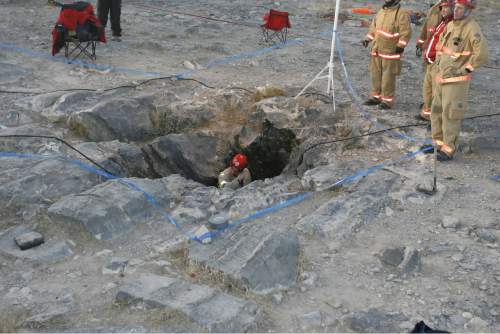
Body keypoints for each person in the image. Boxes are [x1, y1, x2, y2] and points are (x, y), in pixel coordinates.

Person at [429, 0, 488, 161]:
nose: (456, 11)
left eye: (460, 8)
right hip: (441, 78)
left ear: (468, 10)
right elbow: (441, 47)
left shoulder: (472, 28)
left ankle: (448, 149)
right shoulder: (450, 25)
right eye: (455, 8)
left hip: (456, 82)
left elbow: (482, 55)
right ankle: (437, 144)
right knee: (436, 111)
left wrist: (464, 69)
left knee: (450, 114)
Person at [361, 0, 412, 110]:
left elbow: (406, 32)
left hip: (390, 53)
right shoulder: (381, 12)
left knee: (388, 78)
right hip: (376, 51)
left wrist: (400, 46)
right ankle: (376, 97)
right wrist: (367, 39)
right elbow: (373, 29)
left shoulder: (401, 14)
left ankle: (387, 101)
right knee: (375, 75)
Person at [417, 0, 454, 121]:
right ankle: (427, 114)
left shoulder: (454, 20)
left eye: (446, 7)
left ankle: (436, 120)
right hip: (429, 59)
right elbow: (426, 30)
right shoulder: (434, 10)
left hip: (438, 62)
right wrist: (420, 44)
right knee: (427, 89)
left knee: (437, 92)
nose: (444, 9)